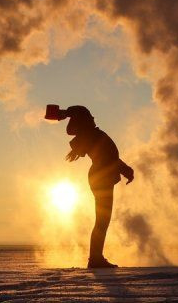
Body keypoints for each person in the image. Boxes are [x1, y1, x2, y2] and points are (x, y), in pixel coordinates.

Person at [62, 105, 134, 268]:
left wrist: (126, 170)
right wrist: (126, 170)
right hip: (102, 178)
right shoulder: (92, 135)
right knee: (102, 220)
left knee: (102, 220)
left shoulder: (91, 135)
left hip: (101, 177)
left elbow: (111, 158)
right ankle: (95, 259)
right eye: (90, 117)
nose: (94, 118)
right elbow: (110, 158)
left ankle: (96, 257)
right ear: (85, 121)